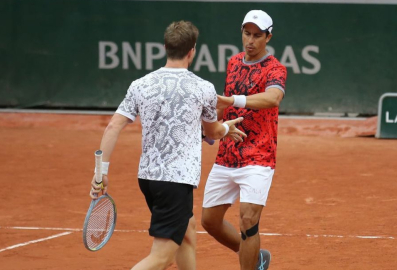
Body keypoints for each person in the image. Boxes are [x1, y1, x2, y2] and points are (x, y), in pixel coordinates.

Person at [89, 21, 246, 270]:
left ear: (165, 47)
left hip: (149, 180)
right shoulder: (203, 88)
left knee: (187, 229)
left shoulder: (140, 85)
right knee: (161, 257)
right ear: (192, 51)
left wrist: (101, 172)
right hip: (175, 182)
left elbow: (112, 127)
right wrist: (228, 128)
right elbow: (213, 131)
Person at [201, 10, 287, 270]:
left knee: (248, 221)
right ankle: (253, 255)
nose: (250, 40)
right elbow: (225, 103)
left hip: (259, 157)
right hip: (228, 154)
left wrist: (232, 100)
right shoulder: (234, 62)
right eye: (247, 34)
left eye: (257, 35)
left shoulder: (276, 68)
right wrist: (209, 128)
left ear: (268, 37)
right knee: (209, 221)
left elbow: (272, 98)